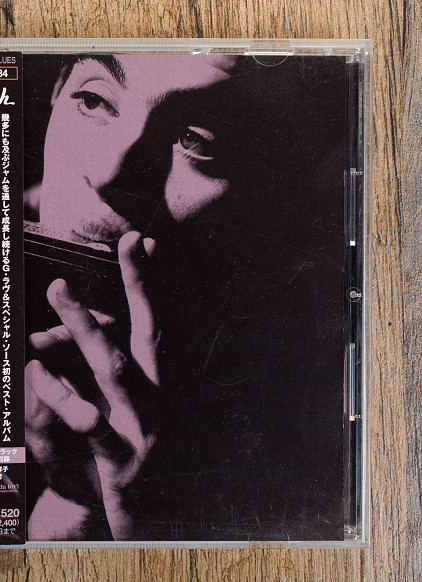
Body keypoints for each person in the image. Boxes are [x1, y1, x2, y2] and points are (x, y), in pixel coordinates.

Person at [23, 54, 348, 541]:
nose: (110, 172)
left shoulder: (313, 404)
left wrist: (94, 511)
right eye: (93, 100)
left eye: (196, 140)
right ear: (56, 95)